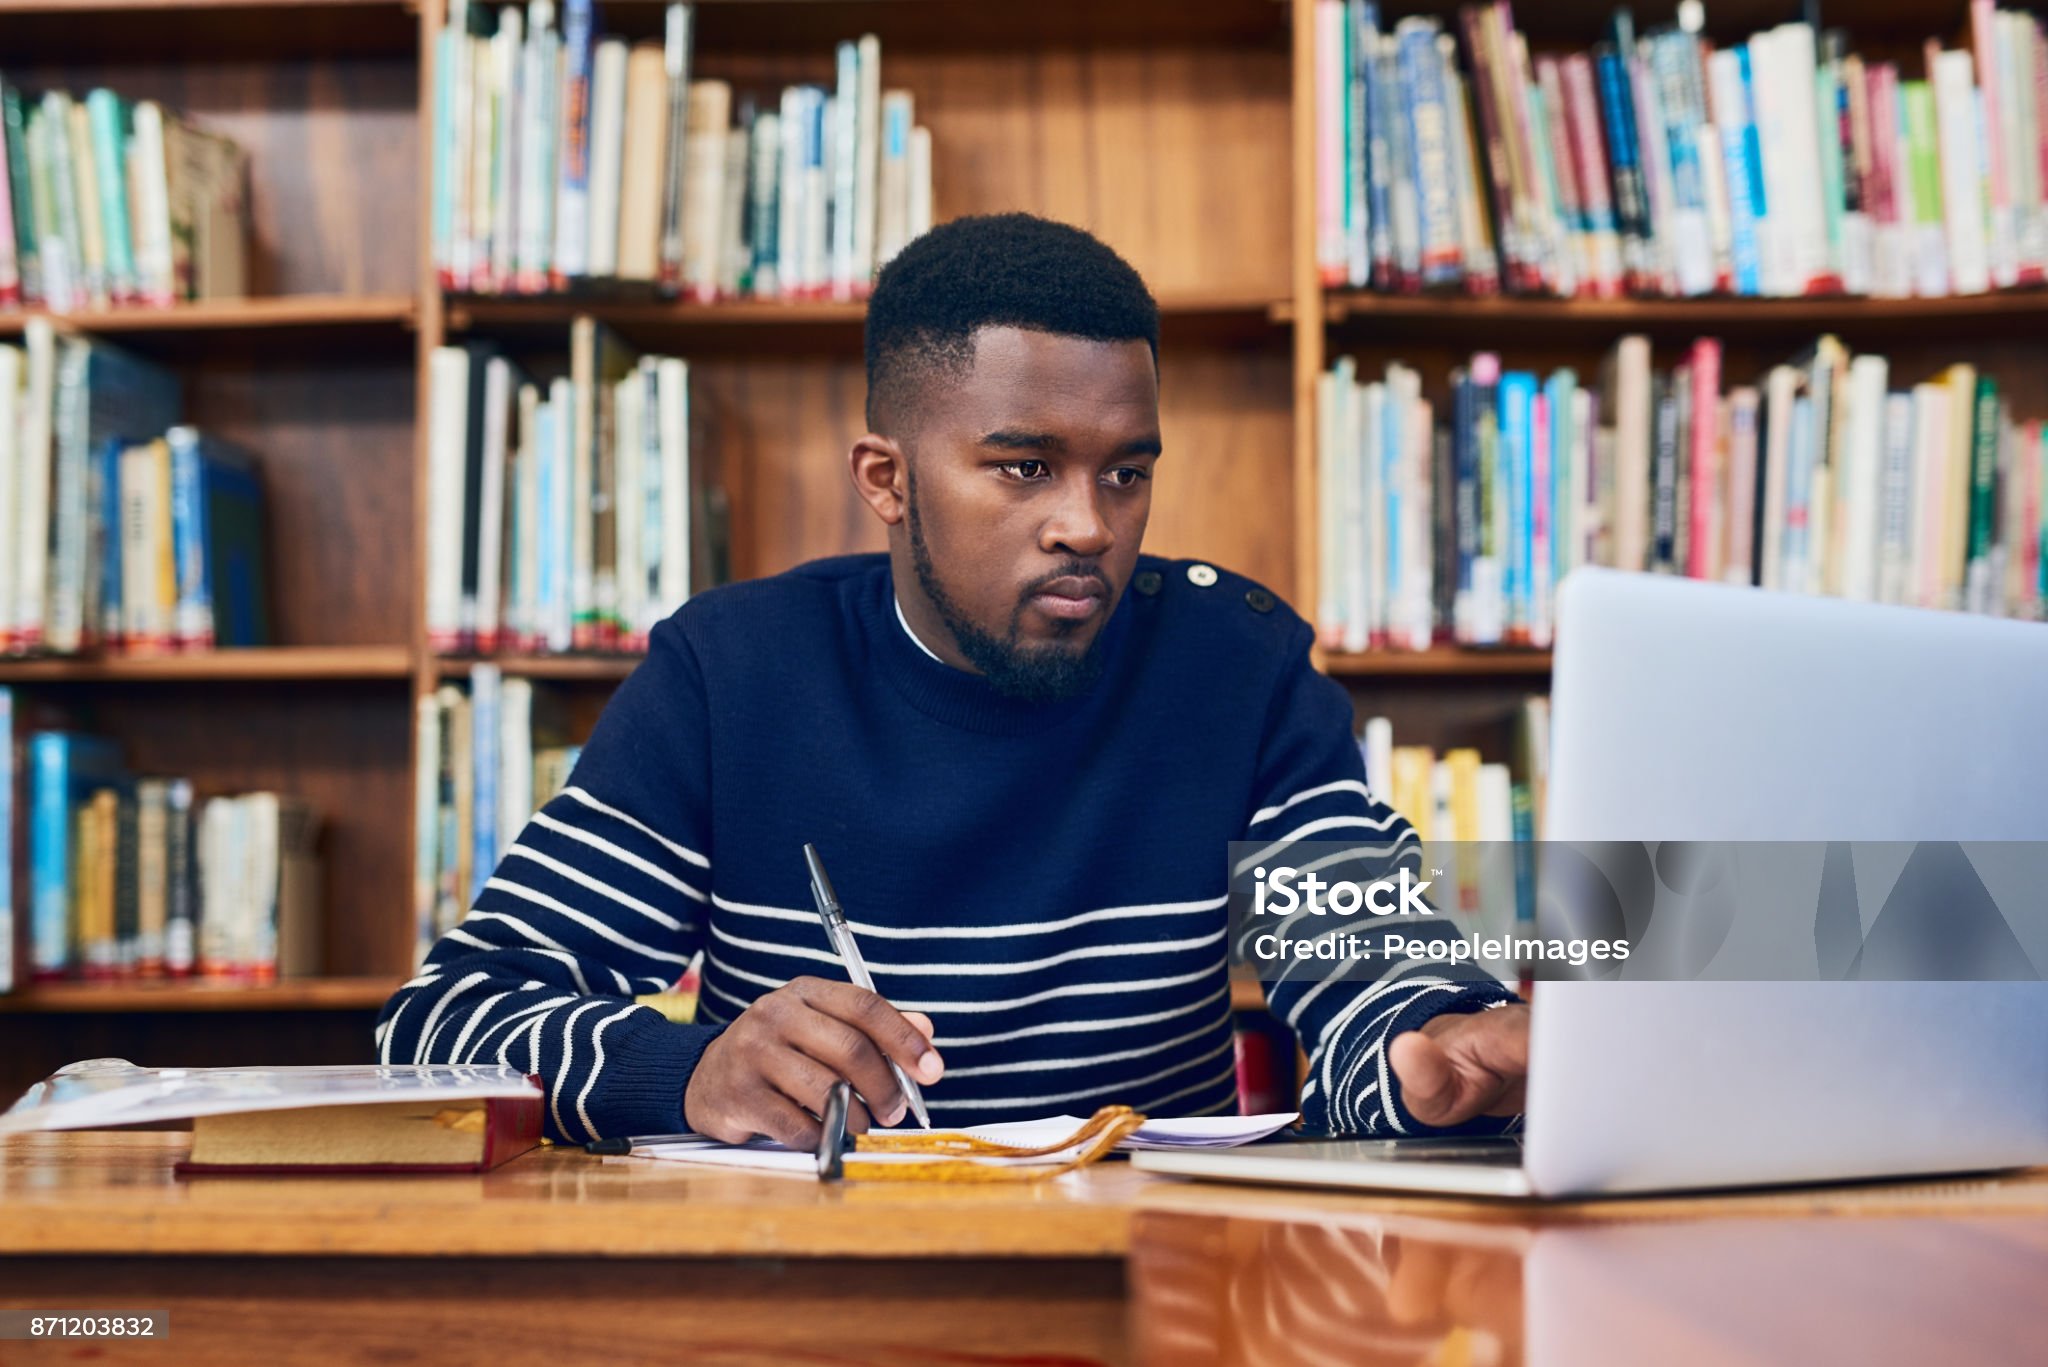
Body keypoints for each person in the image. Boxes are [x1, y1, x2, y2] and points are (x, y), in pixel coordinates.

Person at [378, 213, 1530, 1147]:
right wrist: (690, 1071)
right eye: (1023, 467)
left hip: (1150, 1288)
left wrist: (1430, 1049)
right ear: (886, 478)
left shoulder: (1237, 665)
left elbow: (1368, 958)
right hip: (808, 1290)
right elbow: (439, 1027)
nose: (1087, 525)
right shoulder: (730, 677)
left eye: (1125, 473)